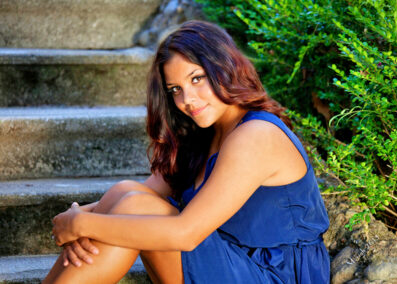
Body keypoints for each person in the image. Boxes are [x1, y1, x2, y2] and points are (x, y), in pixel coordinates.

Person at [44, 20, 330, 283]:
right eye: (175, 90)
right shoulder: (207, 134)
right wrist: (77, 219)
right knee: (124, 193)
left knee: (135, 207)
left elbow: (186, 234)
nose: (187, 100)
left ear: (225, 67)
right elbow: (132, 195)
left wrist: (84, 224)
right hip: (231, 260)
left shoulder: (256, 135)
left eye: (196, 79)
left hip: (276, 275)